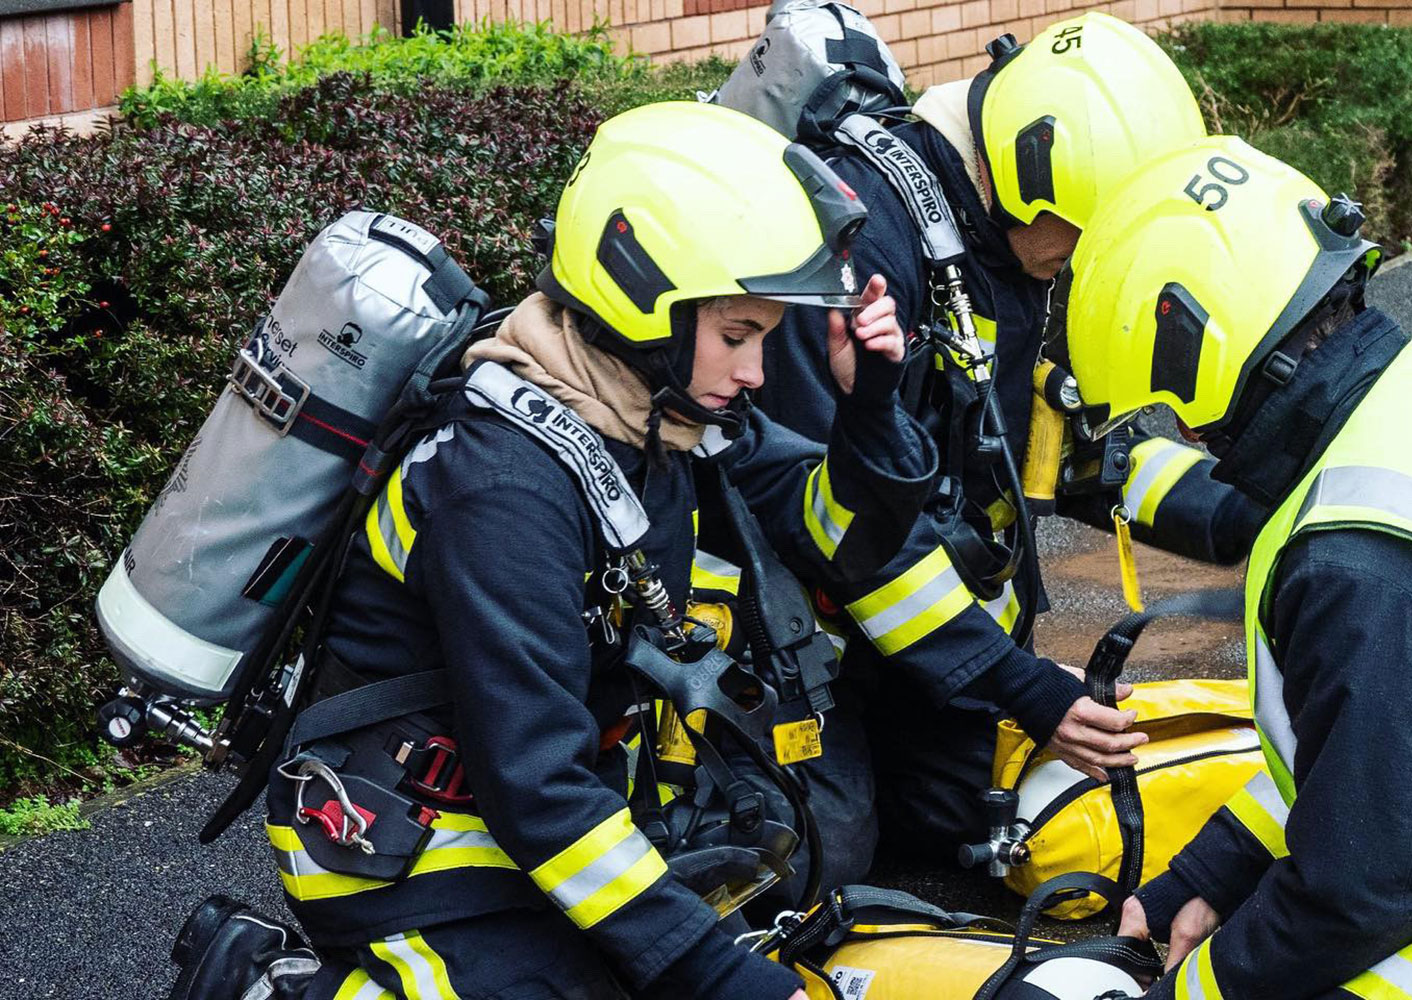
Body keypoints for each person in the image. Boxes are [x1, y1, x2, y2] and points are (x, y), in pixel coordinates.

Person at [168, 100, 937, 1000]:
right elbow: (533, 781)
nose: (757, 372)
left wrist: (875, 404)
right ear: (646, 300)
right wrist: (712, 975)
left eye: (764, 337)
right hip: (403, 841)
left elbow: (837, 538)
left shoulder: (662, 420)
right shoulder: (501, 484)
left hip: (554, 803)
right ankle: (265, 982)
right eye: (738, 335)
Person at [746, 11, 1263, 876]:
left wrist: (1252, 512)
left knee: (972, 825)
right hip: (811, 642)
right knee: (823, 854)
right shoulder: (862, 247)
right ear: (1030, 173)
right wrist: (1020, 685)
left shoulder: (1004, 246)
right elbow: (836, 524)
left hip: (934, 641)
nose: (1090, 264)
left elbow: (1063, 452)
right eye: (1083, 243)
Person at [1056, 134, 1412, 997]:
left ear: (1204, 352)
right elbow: (1367, 757)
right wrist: (1218, 869)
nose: (1191, 440)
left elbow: (1367, 891)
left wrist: (1192, 992)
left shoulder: (1356, 562)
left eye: (1177, 411)